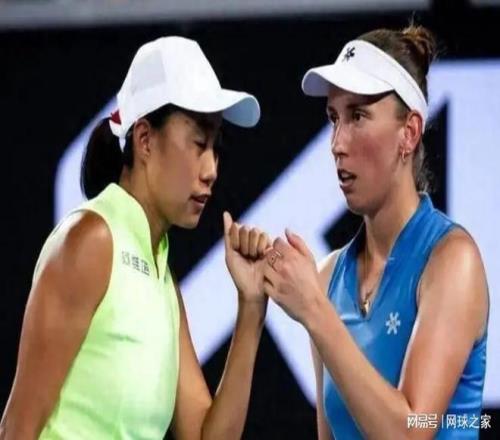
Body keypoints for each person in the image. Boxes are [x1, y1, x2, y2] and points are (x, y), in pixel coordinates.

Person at [0, 36, 271, 439]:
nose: (211, 169)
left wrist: (251, 308)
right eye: (199, 143)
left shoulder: (162, 277)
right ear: (144, 139)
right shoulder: (90, 241)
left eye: (216, 148)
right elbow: (17, 429)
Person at [262, 25, 489, 439]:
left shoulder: (452, 261)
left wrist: (315, 311)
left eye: (358, 116)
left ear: (410, 132)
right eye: (334, 118)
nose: (337, 143)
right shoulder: (328, 278)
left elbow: (411, 430)